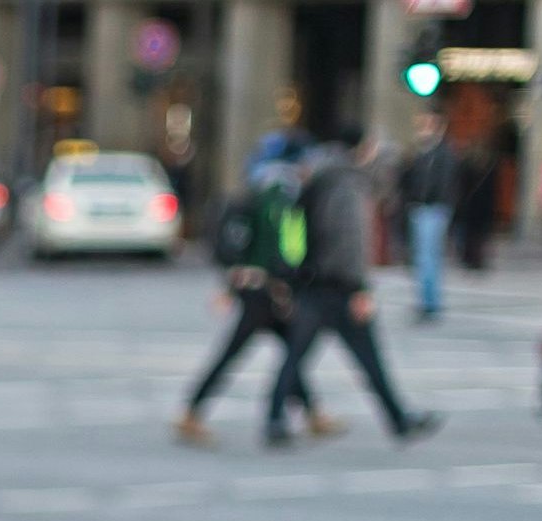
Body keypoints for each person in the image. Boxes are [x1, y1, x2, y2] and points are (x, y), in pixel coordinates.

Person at [269, 128, 440, 448]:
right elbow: (350, 241)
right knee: (365, 357)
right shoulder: (347, 183)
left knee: (297, 356)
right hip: (338, 286)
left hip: (313, 281)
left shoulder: (320, 176)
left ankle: (275, 418)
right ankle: (398, 419)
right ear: (362, 148)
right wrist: (359, 286)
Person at [175, 152, 326, 445]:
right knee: (261, 352)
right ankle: (193, 412)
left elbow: (242, 245)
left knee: (289, 352)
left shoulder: (254, 197)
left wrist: (231, 286)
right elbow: (280, 249)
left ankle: (311, 412)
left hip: (256, 289)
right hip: (266, 291)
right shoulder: (280, 201)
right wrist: (285, 283)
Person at [396, 114, 458, 320]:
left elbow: (443, 182)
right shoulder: (421, 153)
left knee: (428, 256)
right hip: (420, 208)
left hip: (433, 209)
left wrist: (432, 200)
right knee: (423, 257)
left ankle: (430, 302)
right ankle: (426, 299)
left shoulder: (442, 153)